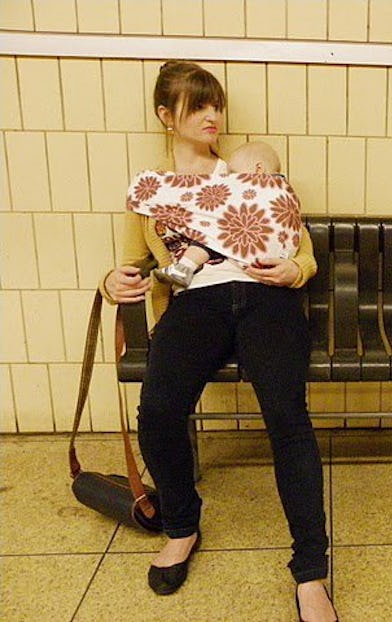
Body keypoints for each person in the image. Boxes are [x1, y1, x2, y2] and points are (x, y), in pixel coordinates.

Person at [100, 61, 338, 622]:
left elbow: (298, 244)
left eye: (216, 105)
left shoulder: (250, 173)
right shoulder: (152, 190)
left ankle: (310, 572)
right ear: (166, 115)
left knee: (288, 416)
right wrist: (112, 282)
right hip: (197, 301)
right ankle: (181, 526)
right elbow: (131, 261)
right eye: (196, 105)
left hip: (265, 295)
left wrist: (294, 272)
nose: (212, 115)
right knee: (158, 410)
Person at [149, 141, 290, 288]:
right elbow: (132, 262)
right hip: (205, 289)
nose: (230, 178)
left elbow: (294, 233)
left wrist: (297, 268)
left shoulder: (263, 190)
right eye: (194, 115)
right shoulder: (154, 184)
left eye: (234, 175)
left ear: (258, 170)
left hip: (260, 281)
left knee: (209, 234)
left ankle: (185, 267)